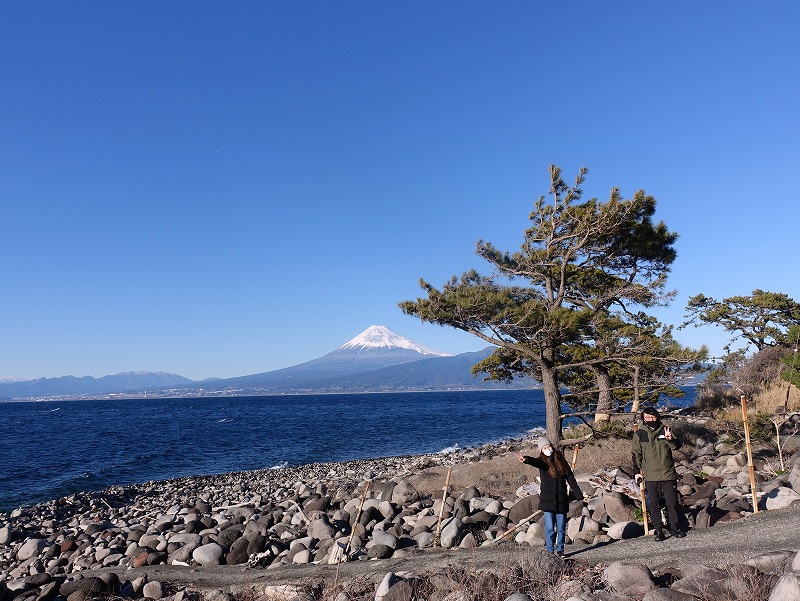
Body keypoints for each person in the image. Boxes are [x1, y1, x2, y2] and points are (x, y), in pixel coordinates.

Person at [516, 437, 583, 556]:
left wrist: (578, 494)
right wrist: (525, 459)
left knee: (561, 528)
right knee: (550, 529)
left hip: (561, 500)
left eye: (549, 447)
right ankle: (550, 551)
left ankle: (561, 550)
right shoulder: (543, 462)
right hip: (548, 501)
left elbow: (570, 477)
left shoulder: (560, 460)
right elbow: (534, 462)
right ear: (541, 450)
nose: (548, 449)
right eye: (545, 448)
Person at [631, 406, 686, 541]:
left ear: (657, 416)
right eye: (647, 418)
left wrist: (670, 439)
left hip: (667, 473)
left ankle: (674, 527)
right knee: (654, 504)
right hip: (650, 475)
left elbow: (677, 446)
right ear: (643, 419)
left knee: (672, 502)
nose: (650, 420)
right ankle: (659, 530)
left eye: (653, 417)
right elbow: (635, 454)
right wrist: (637, 472)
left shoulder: (665, 430)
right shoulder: (639, 434)